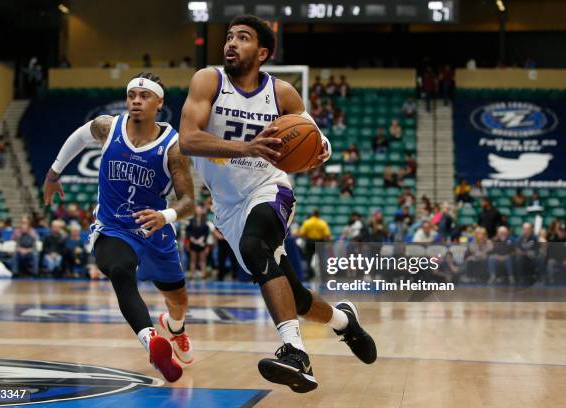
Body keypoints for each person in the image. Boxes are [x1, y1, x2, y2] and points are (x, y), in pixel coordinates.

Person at [178, 15, 376, 392]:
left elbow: (315, 138)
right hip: (228, 206)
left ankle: (295, 353)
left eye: (243, 38)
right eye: (230, 37)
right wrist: (247, 146)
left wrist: (321, 150)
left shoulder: (282, 93)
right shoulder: (209, 81)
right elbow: (188, 138)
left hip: (270, 188)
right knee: (296, 296)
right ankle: (344, 322)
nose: (231, 43)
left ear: (263, 52)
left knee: (256, 245)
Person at [43, 72, 196, 383]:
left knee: (178, 298)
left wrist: (165, 215)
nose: (136, 100)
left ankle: (175, 328)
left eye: (144, 96)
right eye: (132, 95)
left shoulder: (173, 147)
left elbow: (189, 201)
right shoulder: (108, 126)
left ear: (159, 103)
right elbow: (79, 136)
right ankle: (151, 341)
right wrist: (54, 171)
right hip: (113, 227)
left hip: (154, 230)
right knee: (121, 271)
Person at [298, 210, 331, 280]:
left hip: (310, 241)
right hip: (320, 241)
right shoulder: (322, 223)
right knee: (321, 259)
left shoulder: (307, 222)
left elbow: (302, 234)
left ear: (312, 214)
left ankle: (310, 275)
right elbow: (327, 235)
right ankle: (323, 277)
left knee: (308, 259)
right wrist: (327, 243)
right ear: (319, 215)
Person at [185, 205, 211, 279]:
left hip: (201, 242)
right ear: (195, 211)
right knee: (193, 259)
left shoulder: (205, 220)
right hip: (193, 242)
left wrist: (203, 239)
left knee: (202, 259)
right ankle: (192, 275)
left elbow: (207, 232)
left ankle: (203, 275)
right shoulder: (191, 220)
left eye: (200, 209)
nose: (199, 211)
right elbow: (188, 231)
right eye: (197, 209)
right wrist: (191, 238)